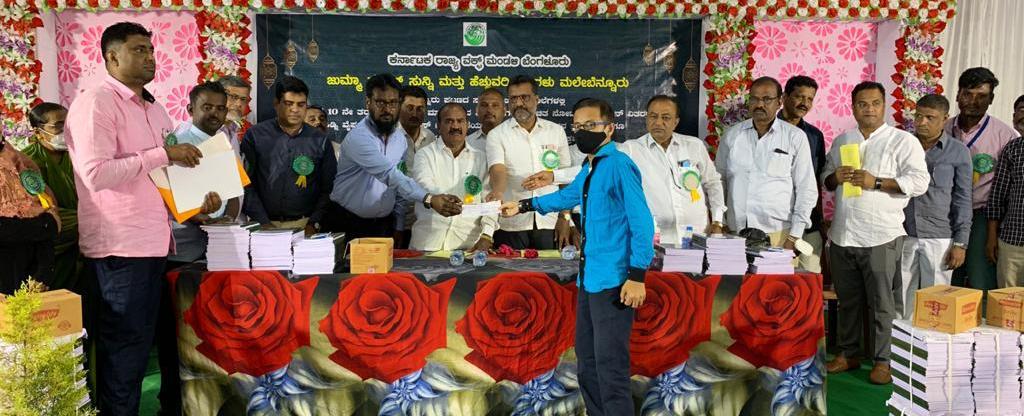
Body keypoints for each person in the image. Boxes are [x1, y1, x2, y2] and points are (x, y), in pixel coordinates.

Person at [64, 22, 208, 414]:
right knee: (122, 354)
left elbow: (162, 173)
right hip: (119, 248)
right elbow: (95, 174)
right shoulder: (96, 103)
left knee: (140, 349)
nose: (149, 57)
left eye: (151, 49)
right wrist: (163, 155)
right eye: (138, 50)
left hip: (154, 243)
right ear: (112, 56)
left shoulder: (154, 108)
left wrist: (196, 204)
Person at [500, 98, 653, 416]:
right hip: (590, 279)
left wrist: (637, 275)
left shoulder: (619, 165)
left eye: (591, 125)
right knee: (588, 364)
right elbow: (568, 196)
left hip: (615, 282)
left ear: (609, 128)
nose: (583, 131)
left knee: (610, 368)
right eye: (578, 126)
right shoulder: (591, 166)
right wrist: (525, 205)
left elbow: (642, 223)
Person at [823, 81, 929, 385]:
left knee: (883, 302)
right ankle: (848, 353)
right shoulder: (842, 140)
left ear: (885, 106)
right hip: (843, 235)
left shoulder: (903, 141)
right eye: (862, 104)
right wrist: (835, 177)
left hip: (882, 236)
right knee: (848, 300)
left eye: (875, 103)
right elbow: (826, 181)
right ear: (853, 107)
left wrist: (877, 182)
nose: (868, 109)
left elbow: (920, 182)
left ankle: (884, 360)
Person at [328, 73, 462, 244]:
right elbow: (390, 175)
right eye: (380, 102)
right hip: (348, 221)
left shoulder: (399, 139)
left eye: (392, 103)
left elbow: (399, 181)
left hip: (383, 224)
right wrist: (430, 198)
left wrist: (398, 225)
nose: (387, 109)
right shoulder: (359, 137)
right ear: (368, 103)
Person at [715, 76, 817, 251]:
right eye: (754, 99)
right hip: (735, 232)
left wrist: (794, 236)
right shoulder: (732, 136)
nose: (759, 104)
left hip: (779, 235)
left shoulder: (795, 137)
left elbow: (806, 188)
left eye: (767, 99)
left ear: (779, 102)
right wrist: (719, 221)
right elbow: (719, 181)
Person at [943, 68, 1018, 291]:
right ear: (957, 95)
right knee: (945, 277)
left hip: (982, 215)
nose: (973, 101)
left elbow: (1009, 187)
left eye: (981, 96)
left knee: (980, 278)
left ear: (991, 99)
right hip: (945, 213)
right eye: (968, 94)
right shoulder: (943, 129)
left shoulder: (1004, 135)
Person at [899, 94, 972, 319]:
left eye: (930, 118)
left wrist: (960, 243)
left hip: (940, 237)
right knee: (901, 300)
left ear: (945, 119)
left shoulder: (958, 151)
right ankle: (901, 341)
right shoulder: (903, 145)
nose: (921, 122)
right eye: (918, 116)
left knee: (937, 304)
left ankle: (932, 342)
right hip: (903, 233)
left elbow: (962, 199)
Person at [616, 95, 726, 243]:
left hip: (697, 236)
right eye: (653, 116)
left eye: (666, 117)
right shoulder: (630, 150)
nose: (658, 122)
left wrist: (718, 221)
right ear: (646, 119)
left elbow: (713, 183)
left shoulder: (694, 146)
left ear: (676, 122)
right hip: (654, 240)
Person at [486, 75, 574, 250]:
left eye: (524, 97)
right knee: (508, 268)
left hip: (550, 221)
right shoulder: (497, 134)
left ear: (537, 99)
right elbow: (498, 169)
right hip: (512, 223)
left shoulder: (556, 131)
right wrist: (498, 192)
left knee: (552, 268)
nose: (519, 103)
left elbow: (565, 177)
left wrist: (565, 217)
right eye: (513, 99)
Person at [241, 76, 335, 234]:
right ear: (276, 104)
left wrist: (314, 223)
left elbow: (329, 187)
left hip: (305, 226)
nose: (295, 110)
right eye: (289, 104)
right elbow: (245, 183)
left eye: (301, 104)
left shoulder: (320, 140)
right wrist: (263, 222)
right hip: (262, 226)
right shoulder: (255, 136)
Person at [409, 103, 496, 252]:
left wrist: (487, 235)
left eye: (460, 121)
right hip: (427, 244)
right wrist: (441, 200)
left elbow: (490, 202)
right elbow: (424, 184)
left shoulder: (482, 159)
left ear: (467, 125)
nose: (455, 126)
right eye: (449, 121)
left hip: (468, 247)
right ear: (439, 126)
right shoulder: (425, 155)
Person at [23, 102, 80, 291]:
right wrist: (87, 220)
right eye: (58, 126)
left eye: (69, 124)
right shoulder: (27, 163)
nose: (66, 130)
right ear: (38, 132)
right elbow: (36, 210)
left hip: (84, 247)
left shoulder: (80, 155)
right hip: (53, 247)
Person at [778, 75, 827, 272]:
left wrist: (821, 220)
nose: (804, 103)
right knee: (777, 278)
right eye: (799, 96)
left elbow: (816, 179)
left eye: (810, 99)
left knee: (810, 277)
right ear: (784, 97)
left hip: (808, 222)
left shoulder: (815, 135)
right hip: (777, 221)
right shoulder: (767, 129)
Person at [0, 139, 60, 294]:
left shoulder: (19, 161)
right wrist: (44, 225)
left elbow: (47, 214)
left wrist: (43, 273)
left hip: (30, 278)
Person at [396, 86, 437, 247]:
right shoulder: (389, 138)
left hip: (423, 221)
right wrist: (398, 225)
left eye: (420, 109)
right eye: (410, 108)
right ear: (399, 108)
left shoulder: (431, 138)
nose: (415, 113)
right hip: (393, 221)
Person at [986, 134, 1024, 287]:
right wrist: (992, 236)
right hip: (1014, 241)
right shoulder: (1014, 148)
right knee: (1007, 299)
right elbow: (998, 195)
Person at [466, 87, 506, 153]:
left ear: (504, 111)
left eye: (495, 105)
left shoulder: (515, 140)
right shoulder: (467, 143)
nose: (489, 110)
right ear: (477, 110)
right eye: (484, 105)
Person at [218, 75, 252, 146]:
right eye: (233, 97)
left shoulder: (239, 130)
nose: (239, 104)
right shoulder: (203, 130)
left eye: (243, 99)